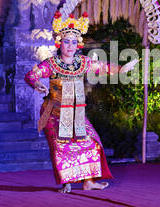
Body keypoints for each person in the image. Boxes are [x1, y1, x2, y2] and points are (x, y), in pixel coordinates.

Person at [24, 10, 137, 193]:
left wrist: (122, 69)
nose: (70, 45)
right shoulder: (51, 63)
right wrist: (37, 84)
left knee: (92, 143)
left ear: (78, 45)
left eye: (73, 42)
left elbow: (103, 67)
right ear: (60, 43)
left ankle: (88, 182)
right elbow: (30, 75)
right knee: (62, 147)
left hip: (76, 112)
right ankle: (67, 182)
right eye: (66, 41)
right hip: (55, 112)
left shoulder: (82, 62)